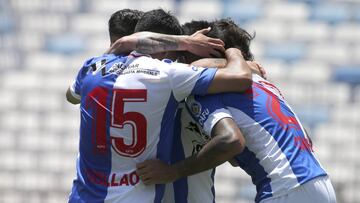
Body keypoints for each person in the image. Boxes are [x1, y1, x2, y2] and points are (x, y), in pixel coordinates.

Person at [136, 19, 337, 203]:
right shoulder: (265, 84)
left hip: (284, 189)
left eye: (185, 56)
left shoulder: (206, 91)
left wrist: (173, 172)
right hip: (320, 183)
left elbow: (231, 141)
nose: (181, 65)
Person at [66, 9, 253, 203]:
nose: (176, 60)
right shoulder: (168, 75)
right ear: (163, 48)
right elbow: (240, 79)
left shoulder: (91, 67)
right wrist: (231, 58)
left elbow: (71, 96)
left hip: (82, 197)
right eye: (176, 55)